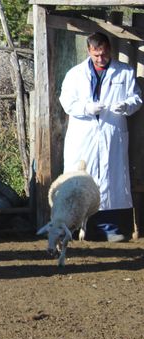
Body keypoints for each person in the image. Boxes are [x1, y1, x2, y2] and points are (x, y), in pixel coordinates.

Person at [59, 31, 142, 242]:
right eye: (96, 55)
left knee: (110, 181)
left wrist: (127, 105)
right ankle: (76, 228)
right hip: (83, 135)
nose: (100, 58)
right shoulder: (75, 74)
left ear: (109, 50)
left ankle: (106, 230)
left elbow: (136, 98)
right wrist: (87, 108)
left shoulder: (124, 72)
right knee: (82, 179)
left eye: (103, 54)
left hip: (112, 133)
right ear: (89, 51)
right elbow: (67, 101)